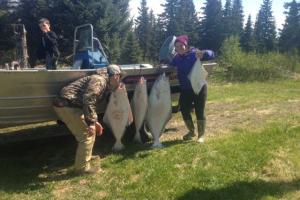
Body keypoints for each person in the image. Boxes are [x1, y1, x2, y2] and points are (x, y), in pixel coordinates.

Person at [53, 64, 123, 175]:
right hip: (67, 106)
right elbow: (89, 99)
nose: (119, 80)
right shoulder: (100, 80)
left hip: (70, 105)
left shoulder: (100, 80)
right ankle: (82, 168)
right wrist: (91, 123)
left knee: (91, 132)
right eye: (119, 76)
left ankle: (86, 157)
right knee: (86, 135)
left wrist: (94, 122)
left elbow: (88, 101)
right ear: (115, 76)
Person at [170, 35, 215, 143]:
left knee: (199, 110)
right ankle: (191, 131)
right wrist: (163, 64)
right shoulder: (176, 58)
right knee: (184, 109)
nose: (179, 48)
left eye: (181, 46)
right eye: (177, 47)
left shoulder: (194, 53)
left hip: (200, 87)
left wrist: (204, 53)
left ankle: (201, 135)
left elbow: (211, 54)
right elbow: (170, 64)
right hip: (186, 89)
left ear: (186, 45)